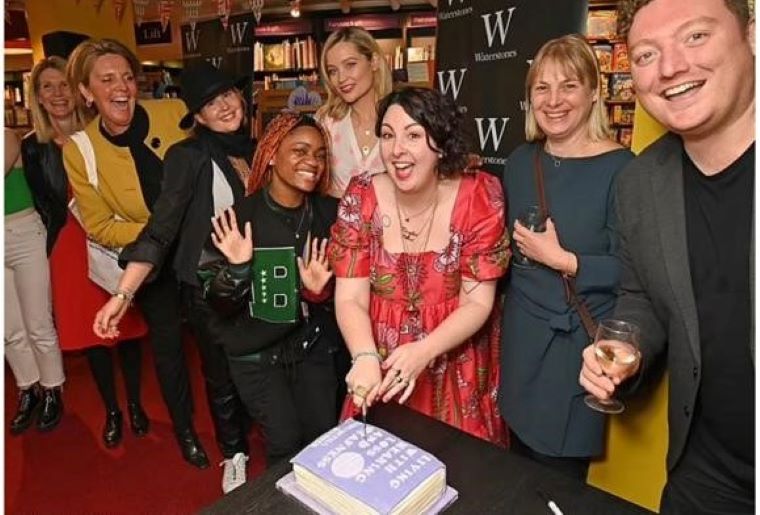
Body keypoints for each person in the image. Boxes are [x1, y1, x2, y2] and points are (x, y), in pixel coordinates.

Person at [579, 0, 754, 512]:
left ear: (751, 34)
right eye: (646, 54)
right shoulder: (639, 183)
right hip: (702, 473)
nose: (671, 67)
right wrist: (627, 348)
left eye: (696, 36)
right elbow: (643, 296)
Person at [91, 61, 254, 493]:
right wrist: (122, 295)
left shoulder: (257, 148)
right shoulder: (188, 156)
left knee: (259, 366)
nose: (223, 106)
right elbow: (160, 228)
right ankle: (233, 454)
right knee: (220, 376)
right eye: (209, 103)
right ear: (196, 116)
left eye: (228, 96)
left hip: (258, 277)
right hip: (208, 285)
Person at [329, 87, 509, 444]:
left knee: (460, 473)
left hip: (453, 358)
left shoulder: (478, 195)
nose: (397, 150)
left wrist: (424, 350)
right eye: (387, 135)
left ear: (441, 144)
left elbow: (477, 302)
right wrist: (364, 355)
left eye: (413, 135)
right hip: (379, 355)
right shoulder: (361, 196)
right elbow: (350, 297)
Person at [62, 38, 208, 466]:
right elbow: (102, 226)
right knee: (169, 350)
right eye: (107, 80)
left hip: (202, 254)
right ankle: (185, 431)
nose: (121, 87)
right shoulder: (79, 150)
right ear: (87, 93)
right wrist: (160, 233)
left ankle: (232, 426)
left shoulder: (172, 113)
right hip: (147, 267)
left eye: (127, 76)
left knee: (216, 341)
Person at [498, 35, 634, 480]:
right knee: (515, 470)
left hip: (576, 351)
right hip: (521, 344)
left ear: (595, 91)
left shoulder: (623, 169)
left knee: (559, 479)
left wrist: (566, 260)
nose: (554, 101)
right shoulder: (521, 161)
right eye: (542, 88)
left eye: (569, 86)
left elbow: (637, 273)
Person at [21, 56, 150, 448]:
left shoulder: (101, 134)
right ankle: (112, 409)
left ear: (80, 91)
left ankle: (134, 403)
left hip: (113, 238)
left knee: (127, 328)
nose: (57, 94)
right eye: (47, 87)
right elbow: (45, 204)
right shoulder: (32, 147)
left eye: (63, 85)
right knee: (93, 336)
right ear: (37, 97)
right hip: (69, 246)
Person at [203, 112, 341, 466]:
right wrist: (237, 269)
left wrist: (316, 294)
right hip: (257, 357)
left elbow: (352, 294)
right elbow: (215, 305)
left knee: (323, 440)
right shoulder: (237, 220)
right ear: (271, 154)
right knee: (284, 444)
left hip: (314, 349)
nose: (312, 161)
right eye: (299, 150)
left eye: (320, 153)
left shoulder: (332, 215)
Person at [4, 128, 66, 435]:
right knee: (9, 329)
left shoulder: (7, 137)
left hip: (24, 235)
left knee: (38, 322)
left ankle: (53, 388)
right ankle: (28, 388)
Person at [317, 26, 392, 197]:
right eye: (333, 71)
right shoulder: (327, 123)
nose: (341, 78)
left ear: (373, 61)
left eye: (350, 65)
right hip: (336, 221)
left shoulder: (401, 119)